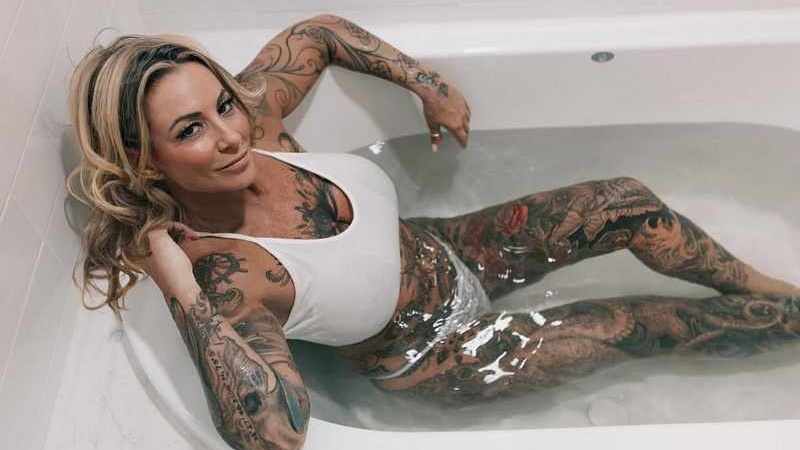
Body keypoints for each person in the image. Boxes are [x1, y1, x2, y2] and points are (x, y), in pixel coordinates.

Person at [67, 14, 800, 450]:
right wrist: (184, 293)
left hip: (451, 248)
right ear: (143, 157)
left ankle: (769, 289)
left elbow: (315, 34)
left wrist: (425, 82)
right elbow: (275, 435)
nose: (228, 134)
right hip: (443, 355)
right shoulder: (229, 273)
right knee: (643, 326)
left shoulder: (253, 122)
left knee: (626, 202)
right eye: (189, 129)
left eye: (222, 104)